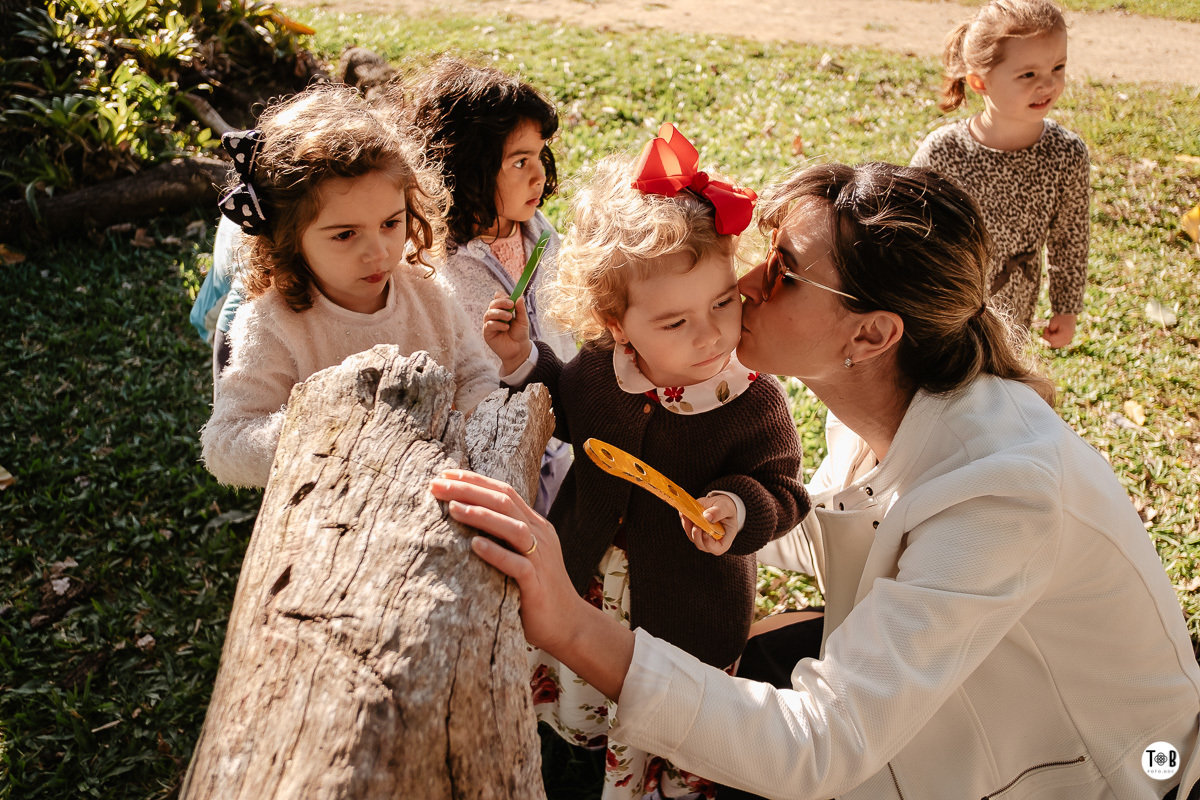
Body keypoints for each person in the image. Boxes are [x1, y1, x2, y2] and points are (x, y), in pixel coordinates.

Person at [433, 162, 1200, 799]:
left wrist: (572, 624)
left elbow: (820, 748)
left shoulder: (1004, 495)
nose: (748, 280)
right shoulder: (874, 410)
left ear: (870, 334)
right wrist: (688, 509)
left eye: (784, 273)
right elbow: (828, 532)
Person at [482, 124, 810, 799]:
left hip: (687, 607)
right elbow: (567, 413)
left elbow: (783, 488)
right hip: (591, 579)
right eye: (674, 322)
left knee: (664, 710)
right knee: (588, 682)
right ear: (616, 323)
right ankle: (584, 744)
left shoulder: (751, 400)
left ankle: (656, 776)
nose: (711, 333)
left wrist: (738, 504)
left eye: (723, 302)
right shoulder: (603, 368)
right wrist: (522, 360)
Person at [200, 84, 497, 488]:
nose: (378, 252)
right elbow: (224, 445)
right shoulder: (274, 324)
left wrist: (475, 427)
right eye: (345, 234)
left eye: (391, 223)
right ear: (289, 239)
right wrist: (317, 428)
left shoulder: (427, 292)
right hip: (331, 512)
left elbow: (475, 376)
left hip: (436, 496)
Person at [403, 56, 577, 514]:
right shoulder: (434, 266)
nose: (539, 175)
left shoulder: (540, 233)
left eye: (539, 156)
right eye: (519, 162)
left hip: (564, 431)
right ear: (467, 169)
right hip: (491, 453)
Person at [911, 0, 1089, 348]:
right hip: (944, 308)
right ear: (980, 82)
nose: (1048, 84)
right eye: (1028, 74)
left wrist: (1066, 309)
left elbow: (1070, 238)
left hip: (1014, 311)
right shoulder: (944, 151)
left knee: (1000, 376)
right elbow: (909, 230)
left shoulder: (1066, 153)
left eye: (1058, 67)